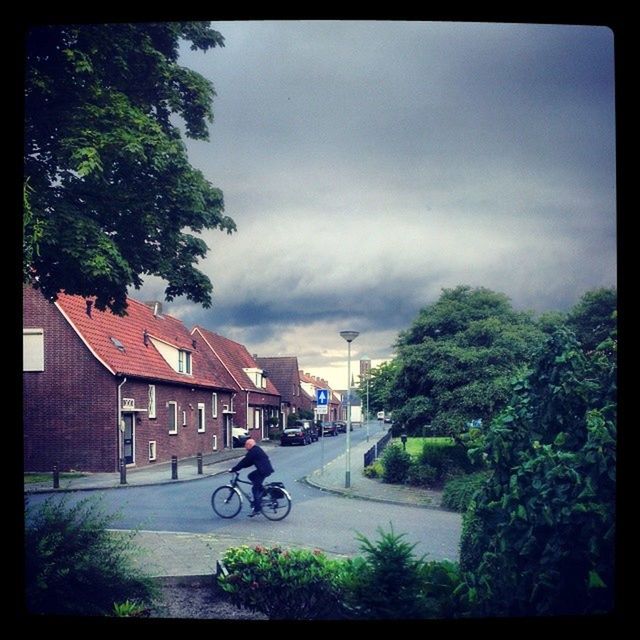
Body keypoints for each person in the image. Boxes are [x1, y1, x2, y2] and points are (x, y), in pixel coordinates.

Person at [229, 438, 274, 516]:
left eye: (246, 445)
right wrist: (239, 468)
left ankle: (257, 509)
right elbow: (248, 463)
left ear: (249, 445)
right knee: (251, 476)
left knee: (255, 488)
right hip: (265, 470)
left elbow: (244, 461)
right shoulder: (256, 449)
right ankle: (262, 491)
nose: (245, 447)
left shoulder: (253, 452)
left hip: (263, 471)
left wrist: (234, 469)